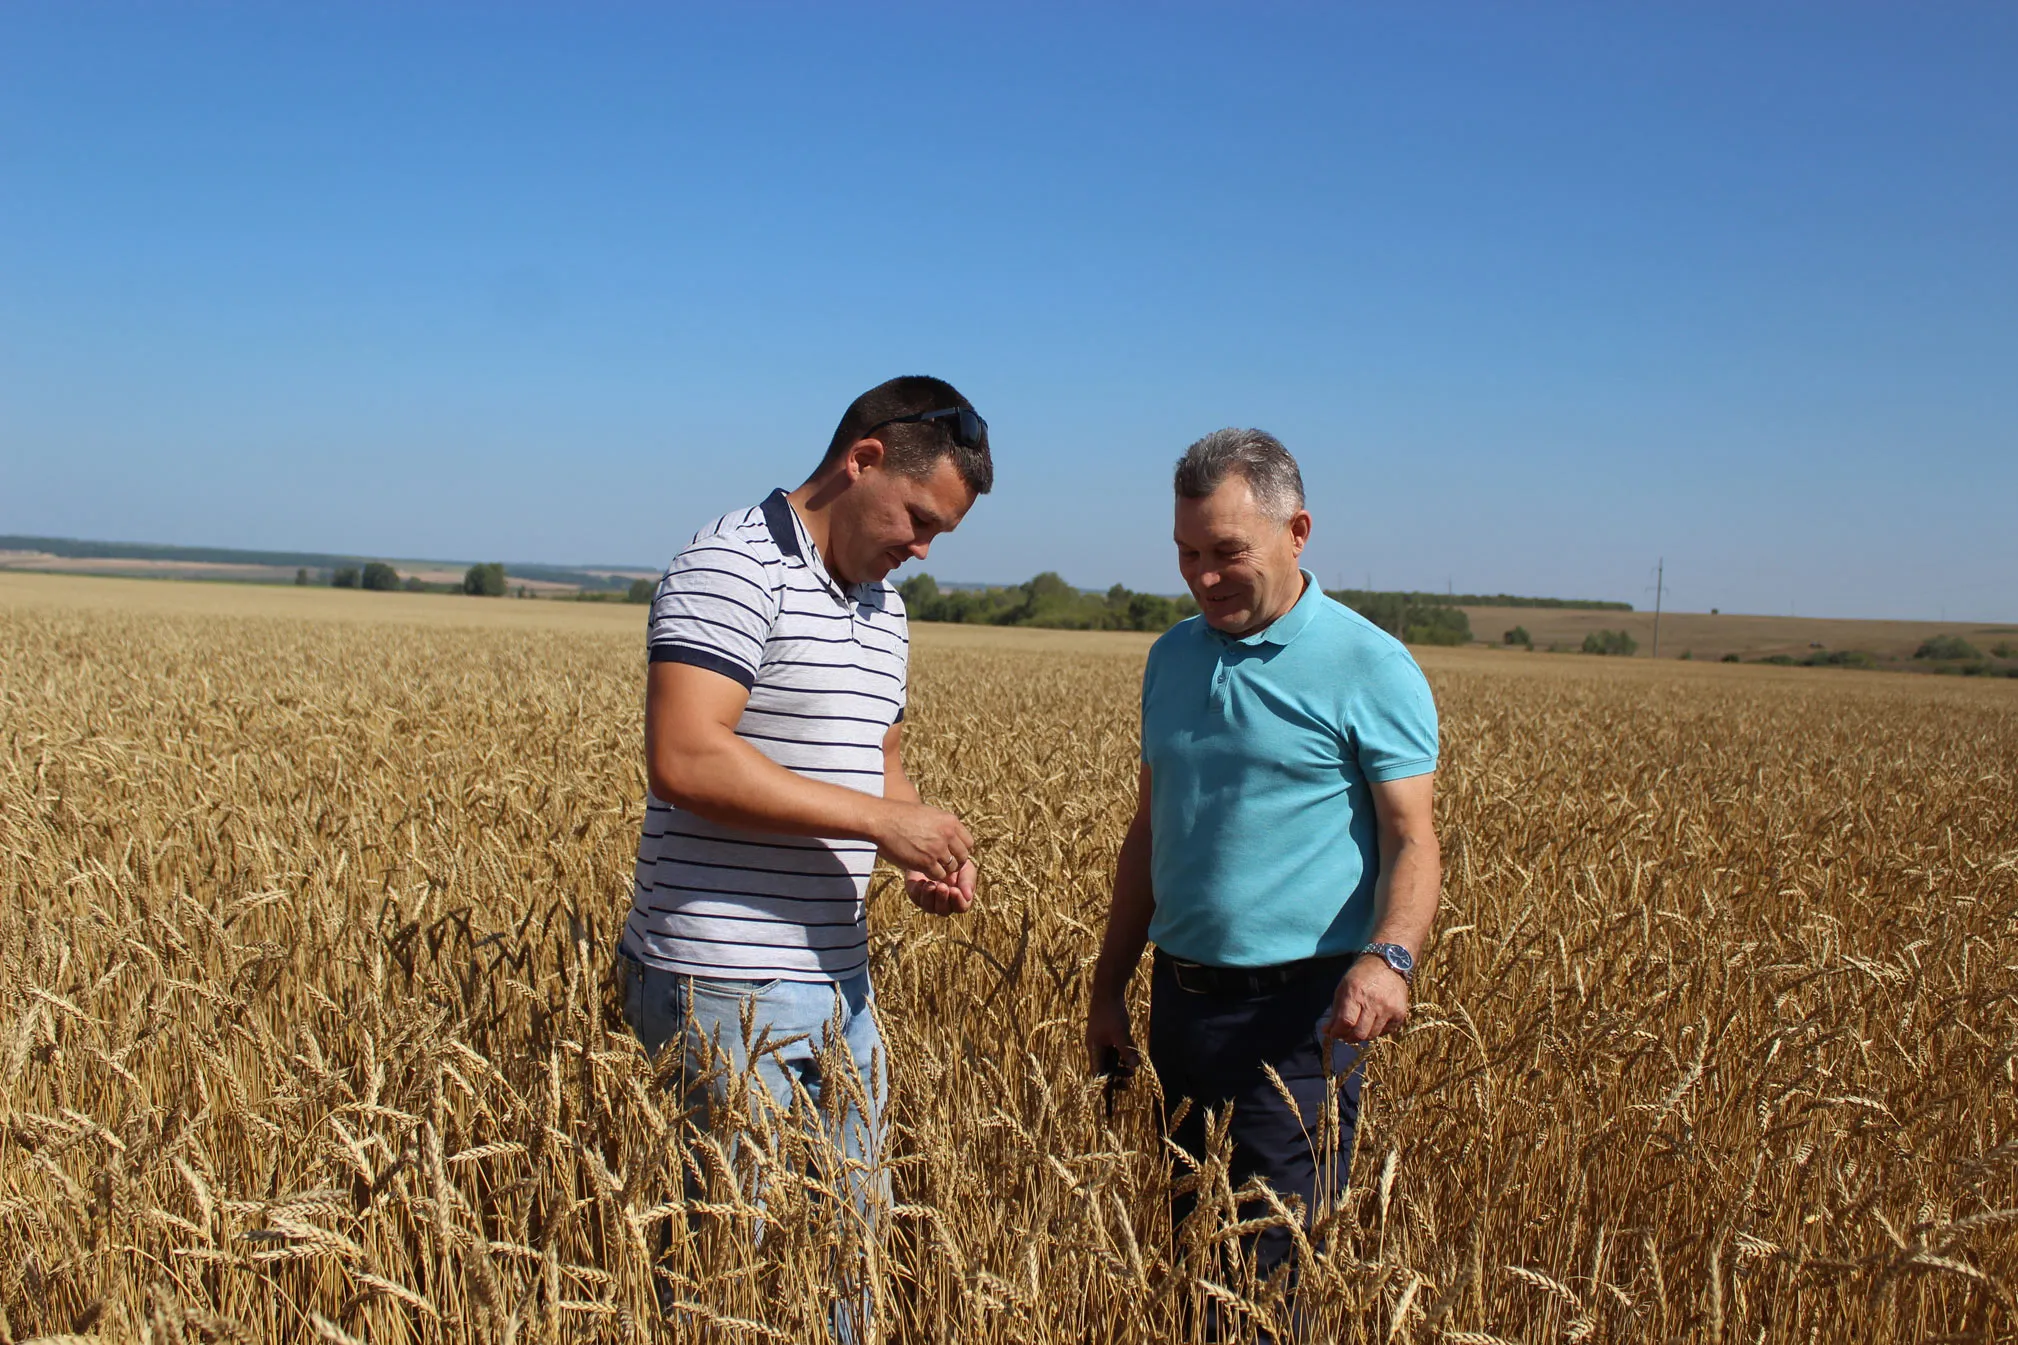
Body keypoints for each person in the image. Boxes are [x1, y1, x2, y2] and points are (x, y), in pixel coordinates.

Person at [614, 375, 991, 1333]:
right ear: (860, 460)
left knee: (845, 1265)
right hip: (720, 987)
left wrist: (920, 848)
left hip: (839, 986)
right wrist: (876, 825)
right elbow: (686, 753)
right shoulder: (731, 564)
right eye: (916, 518)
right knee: (728, 1283)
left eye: (938, 534)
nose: (920, 548)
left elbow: (882, 768)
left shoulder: (885, 610)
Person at [1084, 427, 1441, 1321]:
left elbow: (1412, 838)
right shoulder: (1170, 658)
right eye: (1187, 553)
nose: (1203, 576)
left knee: (1267, 1283)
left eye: (1227, 552)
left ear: (1298, 532)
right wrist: (1108, 986)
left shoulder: (1370, 664)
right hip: (1181, 1007)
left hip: (1302, 1022)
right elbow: (1148, 835)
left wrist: (1389, 956)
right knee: (1188, 1264)